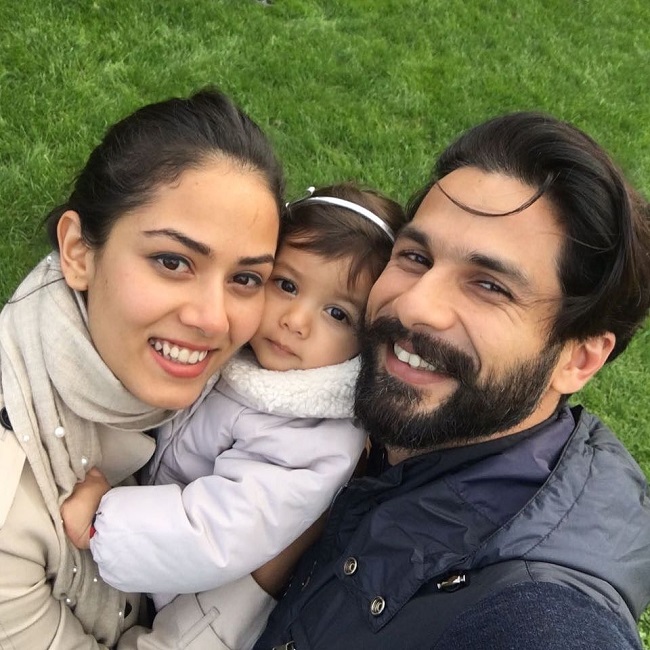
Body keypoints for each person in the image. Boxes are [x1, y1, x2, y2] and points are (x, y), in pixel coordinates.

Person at [254, 113, 650, 649]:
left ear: (578, 359)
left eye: (489, 286)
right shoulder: (346, 399)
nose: (414, 305)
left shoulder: (536, 619)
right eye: (416, 257)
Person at [60, 183, 406, 649]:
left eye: (337, 314)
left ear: (366, 342)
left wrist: (105, 519)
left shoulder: (315, 436)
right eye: (286, 285)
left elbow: (216, 531)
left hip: (197, 609)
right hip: (154, 564)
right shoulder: (247, 358)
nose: (296, 320)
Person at [0, 87, 285, 649]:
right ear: (78, 252)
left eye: (246, 278)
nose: (213, 320)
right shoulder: (9, 515)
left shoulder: (261, 376)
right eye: (172, 261)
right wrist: (266, 573)